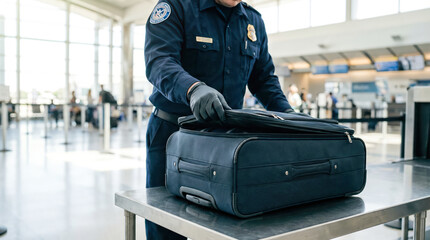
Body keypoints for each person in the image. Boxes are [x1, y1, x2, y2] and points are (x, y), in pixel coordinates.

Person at [144, 0, 293, 238]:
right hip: (172, 135)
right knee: (167, 224)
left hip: (225, 141)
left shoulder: (253, 21)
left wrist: (290, 116)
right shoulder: (177, 6)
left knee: (223, 221)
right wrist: (192, 89)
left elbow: (263, 79)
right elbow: (159, 61)